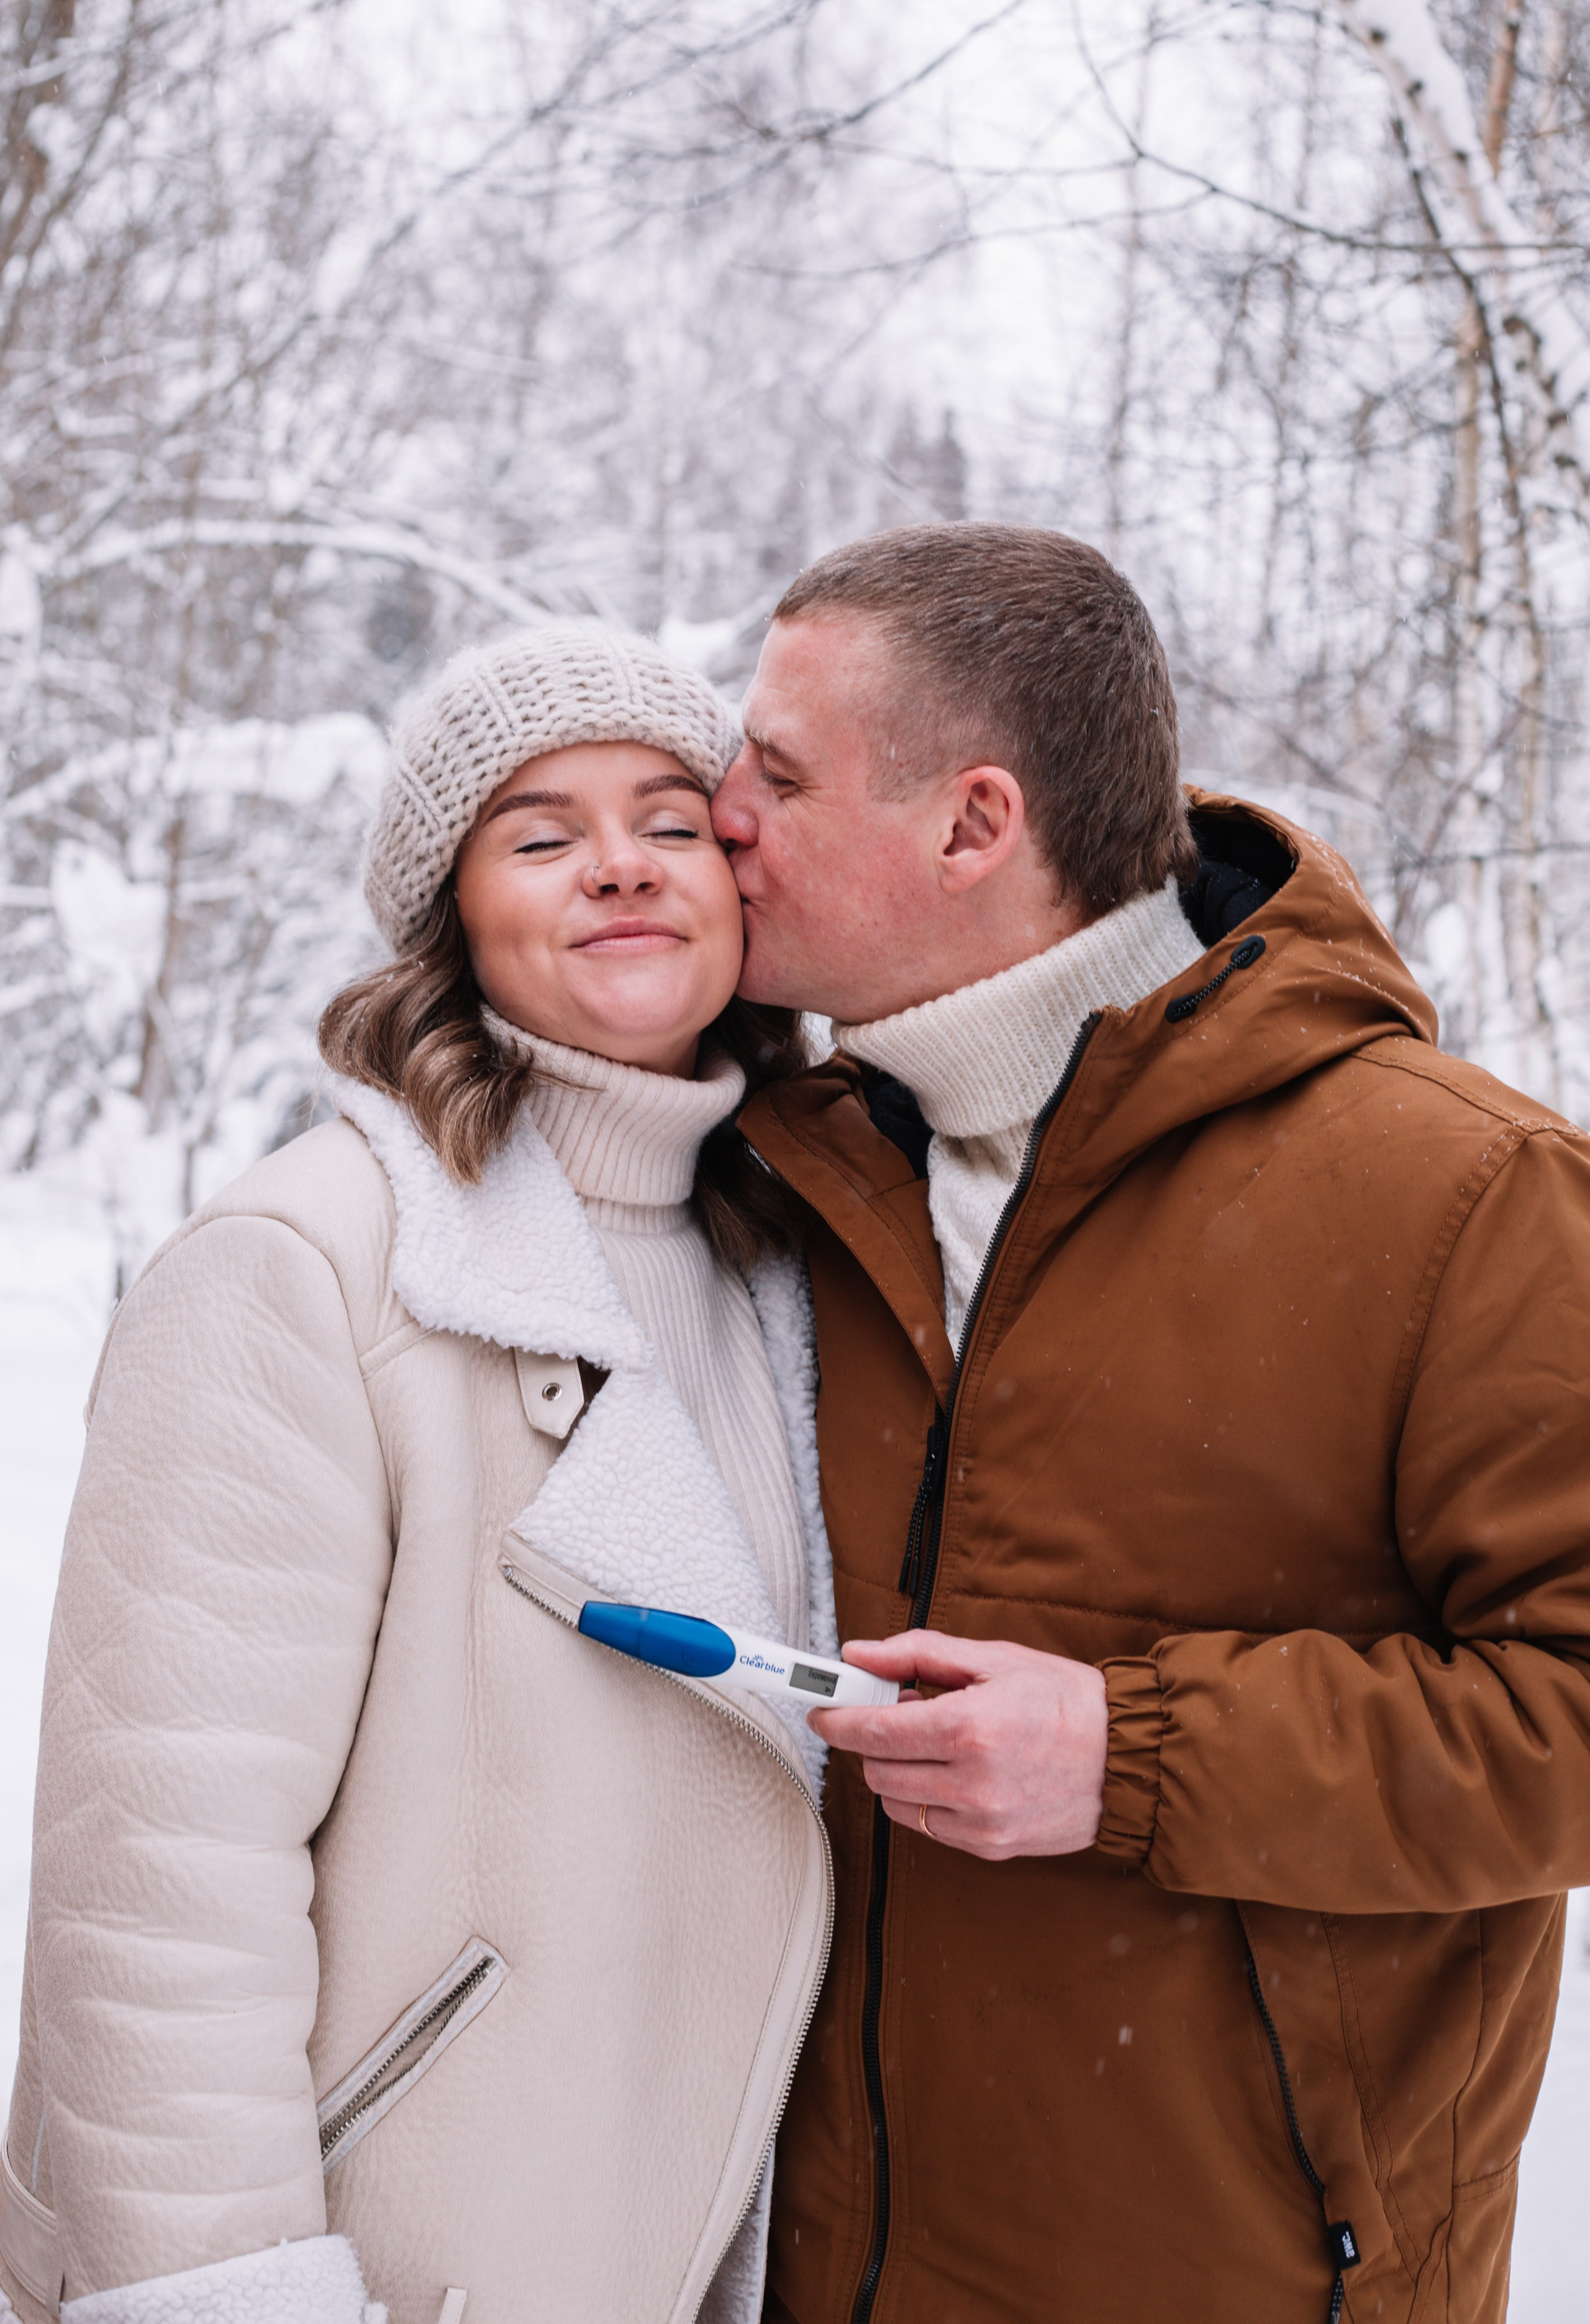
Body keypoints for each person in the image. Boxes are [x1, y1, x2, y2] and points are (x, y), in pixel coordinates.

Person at [711, 521, 1590, 2324]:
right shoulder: (784, 1178)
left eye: (775, 773)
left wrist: (1141, 1756)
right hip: (818, 2271)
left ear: (973, 825)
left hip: (1240, 2274)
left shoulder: (1465, 1197)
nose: (718, 810)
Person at [0, 624, 837, 2324]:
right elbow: (164, 1885)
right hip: (413, 2266)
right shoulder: (304, 1266)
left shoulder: (801, 1272)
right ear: (451, 917)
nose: (617, 864)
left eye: (674, 822)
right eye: (537, 835)